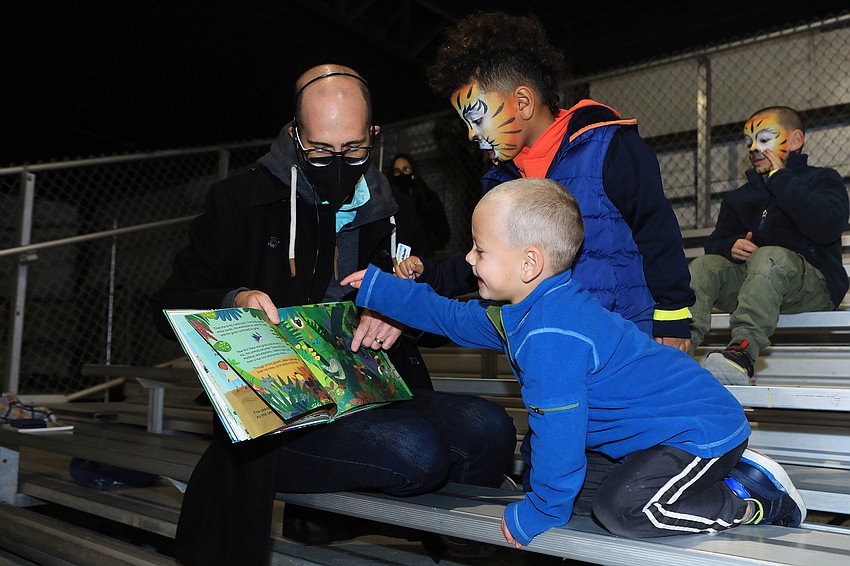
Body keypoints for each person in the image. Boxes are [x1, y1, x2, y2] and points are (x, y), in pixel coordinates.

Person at [151, 63, 516, 565]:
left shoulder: (394, 209)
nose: (338, 161)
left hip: (375, 389)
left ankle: (454, 548)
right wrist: (234, 300)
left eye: (354, 149)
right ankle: (327, 510)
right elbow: (168, 302)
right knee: (415, 451)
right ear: (295, 134)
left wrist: (403, 312)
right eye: (320, 149)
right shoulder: (238, 201)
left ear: (374, 135)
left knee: (491, 427)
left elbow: (432, 313)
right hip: (284, 410)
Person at [342, 177, 806, 547]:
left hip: (698, 431)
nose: (468, 258)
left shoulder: (550, 336)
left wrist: (540, 513)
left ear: (528, 264)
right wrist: (385, 290)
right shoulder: (526, 309)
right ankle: (710, 480)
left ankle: (748, 497)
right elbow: (453, 317)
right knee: (554, 471)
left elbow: (560, 433)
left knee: (624, 511)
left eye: (480, 249)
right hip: (654, 436)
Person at [397, 10, 695, 352]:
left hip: (626, 340)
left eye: (476, 118)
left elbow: (656, 227)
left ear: (522, 102)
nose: (470, 134)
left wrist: (672, 311)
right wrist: (430, 274)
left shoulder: (608, 145)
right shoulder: (499, 182)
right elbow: (489, 262)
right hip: (553, 347)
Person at [689, 106, 849, 385]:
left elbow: (827, 227)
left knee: (769, 257)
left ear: (796, 141)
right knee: (704, 266)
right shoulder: (739, 198)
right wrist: (730, 246)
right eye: (748, 142)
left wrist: (781, 179)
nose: (753, 148)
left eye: (764, 139)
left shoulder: (822, 180)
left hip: (812, 287)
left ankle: (741, 355)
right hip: (757, 285)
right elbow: (715, 242)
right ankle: (675, 352)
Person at [385, 152, 451, 258]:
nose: (402, 174)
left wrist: (425, 250)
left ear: (413, 172)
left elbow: (443, 233)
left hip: (423, 260)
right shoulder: (387, 201)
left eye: (406, 169)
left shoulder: (429, 198)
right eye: (397, 171)